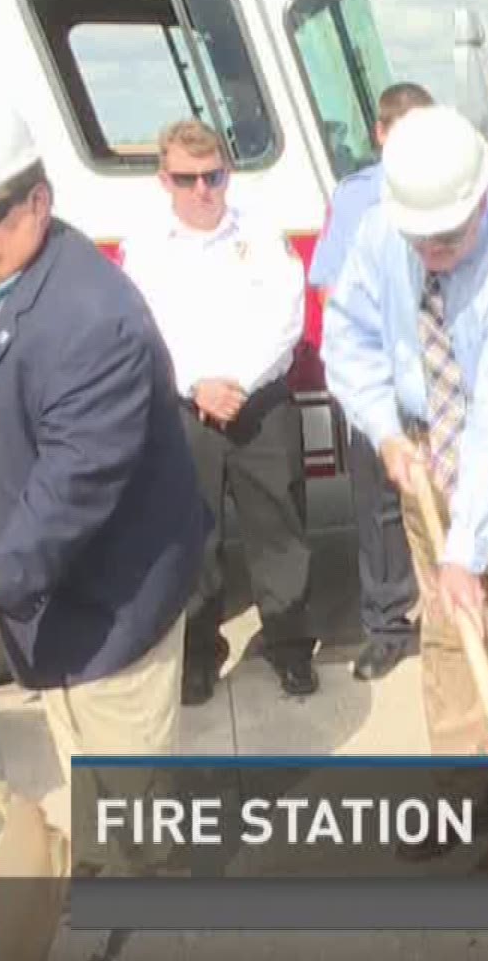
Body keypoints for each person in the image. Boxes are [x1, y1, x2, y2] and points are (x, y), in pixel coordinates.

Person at [0, 105, 206, 879]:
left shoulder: (92, 319)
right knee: (83, 762)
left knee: (132, 805)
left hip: (111, 608)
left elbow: (71, 484)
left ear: (37, 202)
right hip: (49, 608)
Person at [322, 105, 488, 758]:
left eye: (448, 236)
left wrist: (466, 552)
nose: (433, 252)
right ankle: (461, 794)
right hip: (424, 441)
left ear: (483, 198)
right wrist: (384, 431)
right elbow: (349, 338)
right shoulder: (382, 233)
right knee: (448, 628)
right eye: (423, 239)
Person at [120, 118, 317, 704]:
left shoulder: (260, 231)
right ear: (165, 179)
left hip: (260, 404)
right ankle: (198, 655)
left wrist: (239, 383)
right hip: (185, 407)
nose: (204, 190)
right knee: (191, 538)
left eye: (214, 176)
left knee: (280, 533)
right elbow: (145, 331)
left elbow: (287, 316)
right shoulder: (146, 247)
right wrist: (198, 387)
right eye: (188, 179)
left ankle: (289, 649)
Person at [309, 81, 436, 682]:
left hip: (440, 379)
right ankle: (387, 625)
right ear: (381, 135)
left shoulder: (452, 185)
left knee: (447, 499)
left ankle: (448, 615)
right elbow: (335, 294)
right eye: (402, 133)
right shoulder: (357, 197)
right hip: (381, 383)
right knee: (381, 509)